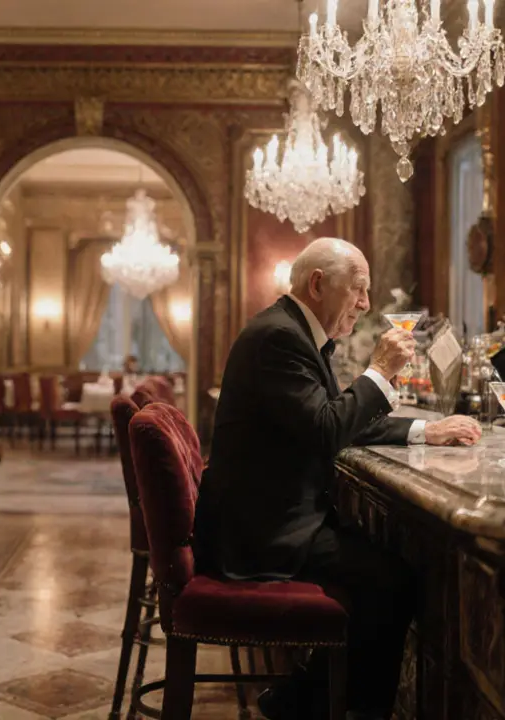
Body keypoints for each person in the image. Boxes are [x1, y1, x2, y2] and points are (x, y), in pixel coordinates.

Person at [193, 237, 482, 719]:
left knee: (384, 574)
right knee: (391, 583)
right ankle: (323, 705)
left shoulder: (291, 332)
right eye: (359, 290)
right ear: (318, 284)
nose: (366, 304)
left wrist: (424, 431)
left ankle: (301, 698)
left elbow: (331, 416)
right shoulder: (278, 338)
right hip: (261, 535)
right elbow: (328, 429)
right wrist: (381, 371)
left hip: (269, 517)